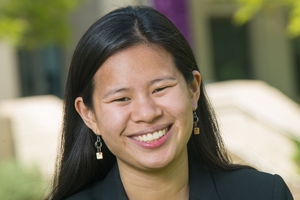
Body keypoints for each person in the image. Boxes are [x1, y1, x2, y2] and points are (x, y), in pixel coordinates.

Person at [46, 5, 293, 200]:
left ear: (193, 89)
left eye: (160, 88)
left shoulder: (263, 193)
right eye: (122, 98)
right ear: (89, 115)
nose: (147, 113)